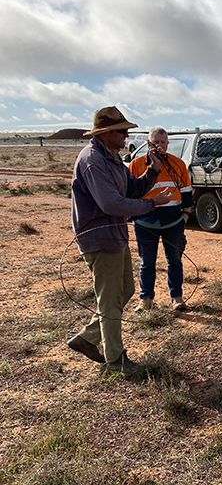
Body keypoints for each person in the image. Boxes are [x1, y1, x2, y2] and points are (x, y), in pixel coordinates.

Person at [68, 106, 172, 375]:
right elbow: (112, 203)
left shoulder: (112, 158)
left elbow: (132, 188)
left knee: (124, 291)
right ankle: (116, 359)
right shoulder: (92, 160)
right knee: (109, 297)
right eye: (123, 131)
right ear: (107, 133)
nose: (127, 135)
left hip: (115, 236)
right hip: (99, 239)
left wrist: (153, 170)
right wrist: (151, 204)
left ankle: (87, 338)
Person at [129, 127, 193, 312]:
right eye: (156, 142)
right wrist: (135, 217)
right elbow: (131, 194)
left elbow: (187, 193)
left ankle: (177, 297)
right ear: (149, 143)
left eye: (164, 142)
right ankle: (146, 299)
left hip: (173, 222)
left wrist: (185, 217)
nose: (161, 146)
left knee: (174, 260)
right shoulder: (137, 164)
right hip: (145, 222)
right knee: (147, 262)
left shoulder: (178, 164)